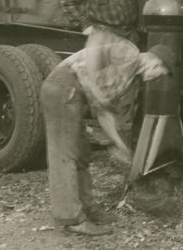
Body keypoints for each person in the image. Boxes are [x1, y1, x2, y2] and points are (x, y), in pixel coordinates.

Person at [40, 33, 172, 236]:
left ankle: (86, 209)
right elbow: (96, 39)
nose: (156, 78)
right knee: (65, 154)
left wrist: (121, 147)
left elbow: (104, 113)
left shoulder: (128, 78)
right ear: (155, 62)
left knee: (82, 154)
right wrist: (92, 85)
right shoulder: (130, 53)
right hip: (62, 86)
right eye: (160, 73)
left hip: (75, 94)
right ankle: (71, 218)